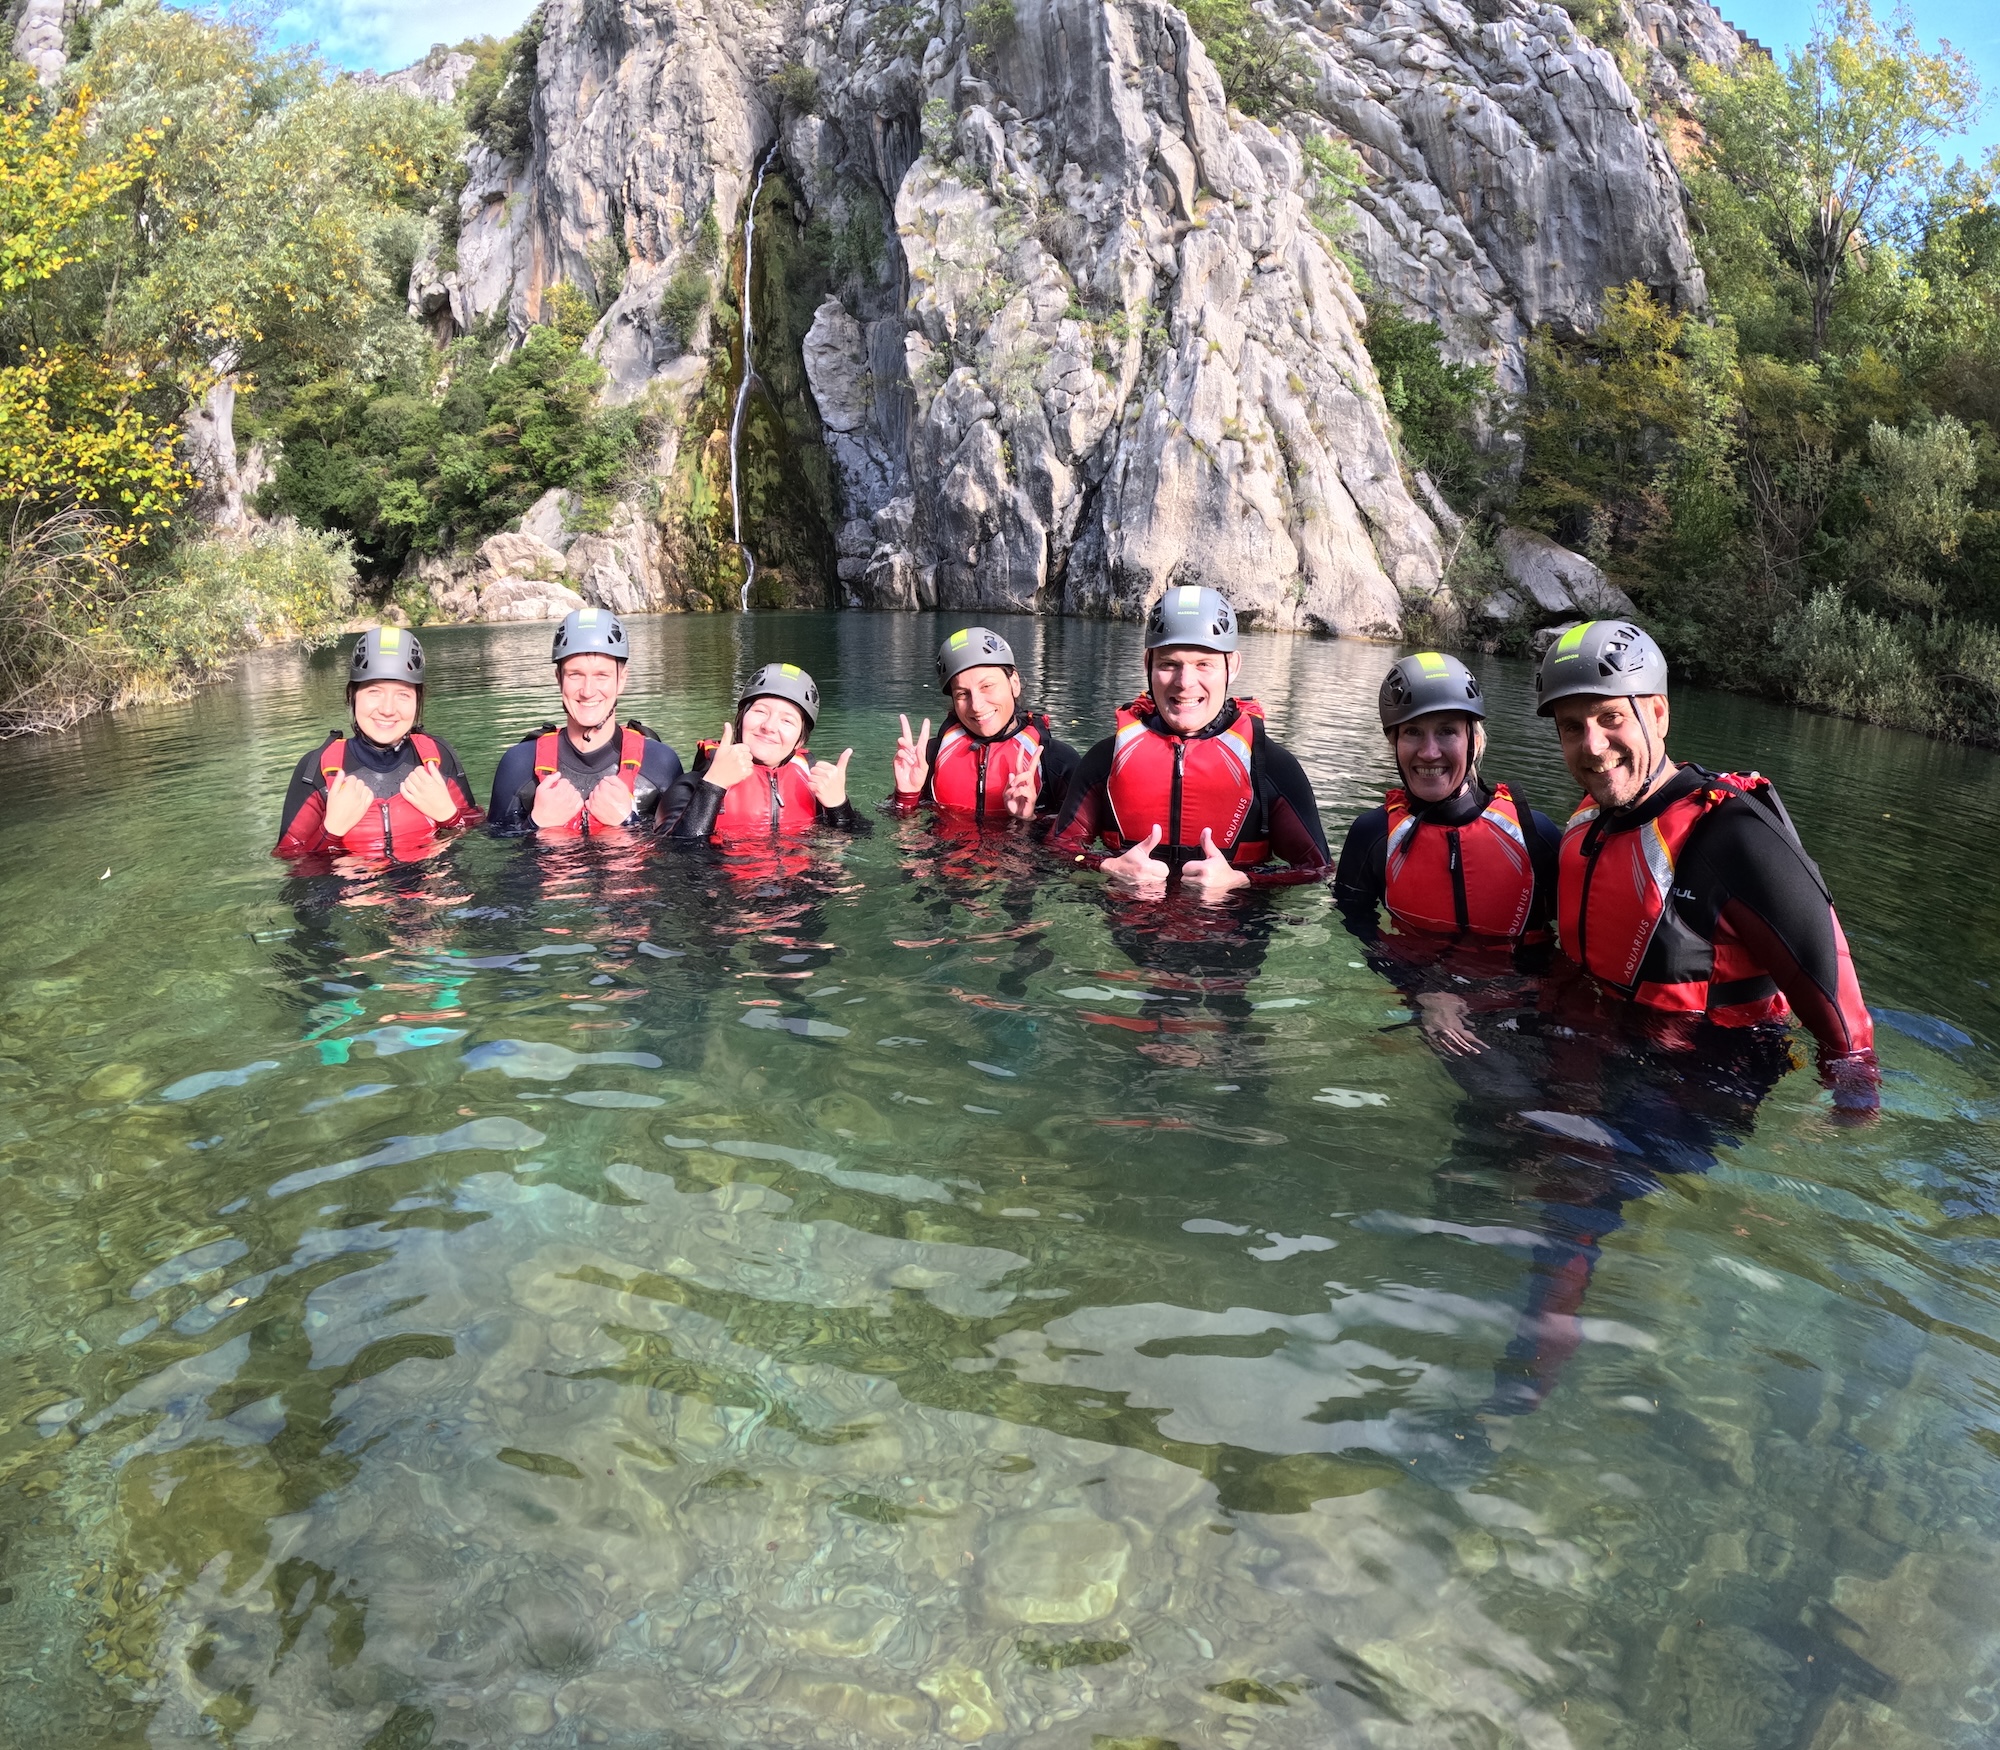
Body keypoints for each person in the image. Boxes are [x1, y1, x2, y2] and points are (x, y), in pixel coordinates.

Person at [1535, 618, 1878, 1113]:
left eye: (1610, 717)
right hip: (1599, 1046)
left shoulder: (1736, 834)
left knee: (1567, 1173)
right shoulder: (1589, 820)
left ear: (1657, 714)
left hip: (1703, 1078)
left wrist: (1854, 1106)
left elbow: (1843, 1018)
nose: (1591, 745)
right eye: (1572, 727)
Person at [1335, 650, 1561, 1053]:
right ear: (1394, 741)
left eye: (1447, 731)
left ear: (1474, 737)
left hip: (1522, 1009)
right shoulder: (1372, 835)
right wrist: (1423, 990)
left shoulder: (1534, 834)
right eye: (1413, 733)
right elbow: (1356, 928)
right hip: (1419, 1000)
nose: (1430, 752)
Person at [1048, 586, 1330, 898]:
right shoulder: (1105, 759)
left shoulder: (1271, 766)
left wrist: (1243, 880)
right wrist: (1106, 866)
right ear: (1148, 665)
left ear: (1231, 666)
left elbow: (1317, 870)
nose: (1185, 683)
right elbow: (1060, 849)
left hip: (1233, 933)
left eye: (1203, 664)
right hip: (1133, 936)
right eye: (1169, 663)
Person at [274, 627, 483, 862]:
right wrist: (331, 831)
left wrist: (450, 817)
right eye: (374, 691)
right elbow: (292, 868)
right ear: (352, 695)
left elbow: (480, 841)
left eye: (403, 694)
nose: (387, 709)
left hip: (426, 890)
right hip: (352, 893)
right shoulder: (318, 769)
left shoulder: (437, 759)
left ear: (418, 700)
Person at [487, 608, 684, 836]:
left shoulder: (660, 764)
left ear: (622, 680)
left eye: (602, 675)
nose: (588, 691)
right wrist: (535, 824)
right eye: (575, 675)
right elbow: (498, 857)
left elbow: (680, 859)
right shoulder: (518, 764)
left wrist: (627, 822)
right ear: (559, 679)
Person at [889, 626, 1078, 823]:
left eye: (987, 686)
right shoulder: (928, 757)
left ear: (1014, 682)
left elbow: (1072, 846)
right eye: (962, 694)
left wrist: (1027, 821)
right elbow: (903, 840)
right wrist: (906, 796)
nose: (977, 706)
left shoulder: (1056, 762)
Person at [663, 663, 864, 841]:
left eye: (787, 720)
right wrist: (713, 786)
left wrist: (839, 806)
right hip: (725, 881)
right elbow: (678, 856)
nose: (769, 726)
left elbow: (861, 839)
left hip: (800, 880)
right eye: (760, 711)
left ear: (800, 740)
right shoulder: (691, 784)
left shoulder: (815, 786)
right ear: (741, 720)